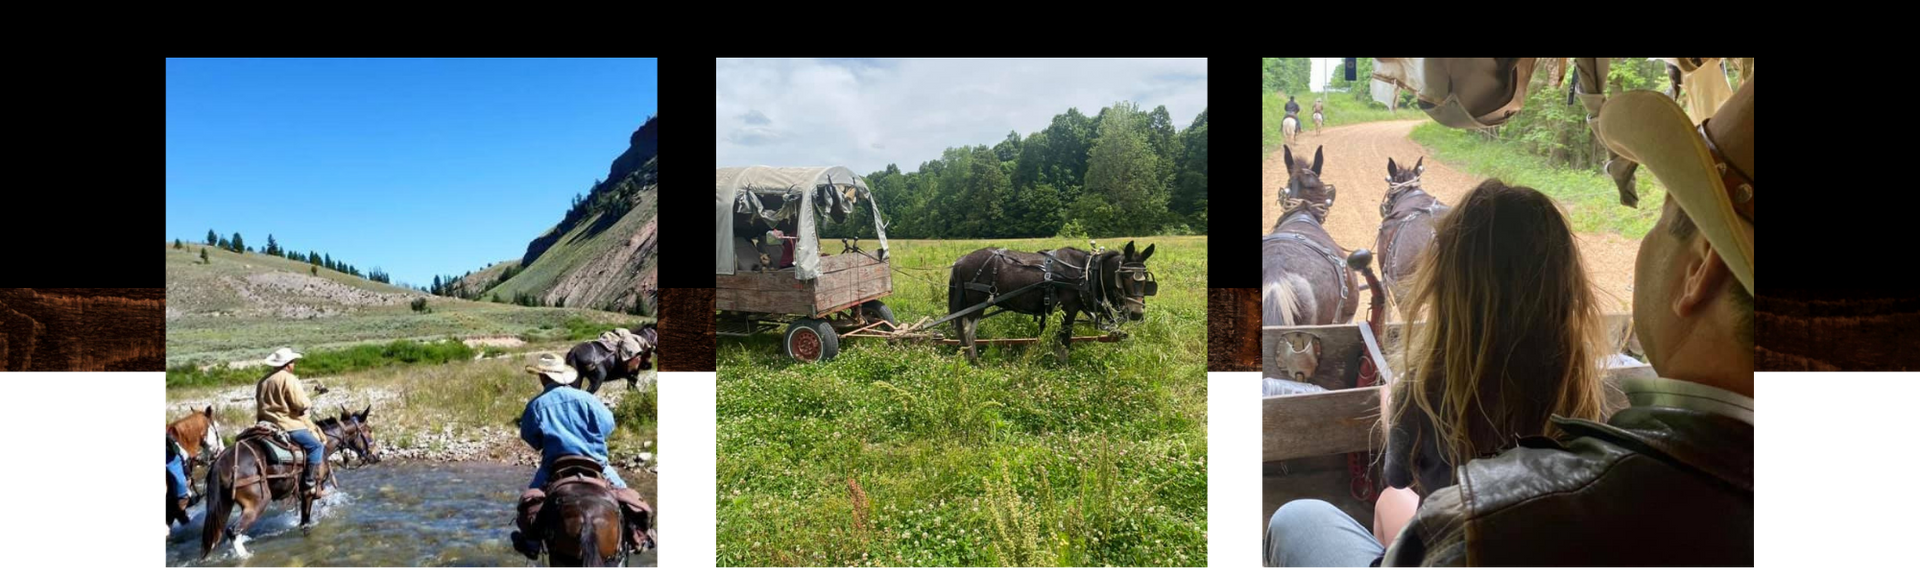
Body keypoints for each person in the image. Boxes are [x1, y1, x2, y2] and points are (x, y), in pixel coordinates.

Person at [1264, 69, 1755, 570]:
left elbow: (1398, 478)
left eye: (1663, 213)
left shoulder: (1488, 523)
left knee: (1301, 518)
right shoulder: (1599, 403)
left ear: (1699, 271)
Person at [511, 353, 656, 559]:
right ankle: (639, 534)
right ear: (562, 375)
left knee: (529, 503)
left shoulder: (536, 405)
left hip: (554, 465)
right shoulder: (588, 399)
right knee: (626, 496)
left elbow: (530, 437)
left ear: (543, 377)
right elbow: (608, 426)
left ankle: (532, 543)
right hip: (596, 464)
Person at [255, 347, 326, 497]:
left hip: (264, 424)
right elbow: (299, 403)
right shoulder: (288, 379)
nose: (294, 364)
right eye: (293, 362)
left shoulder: (263, 381)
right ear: (288, 364)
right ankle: (309, 483)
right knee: (316, 446)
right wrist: (307, 404)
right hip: (286, 424)